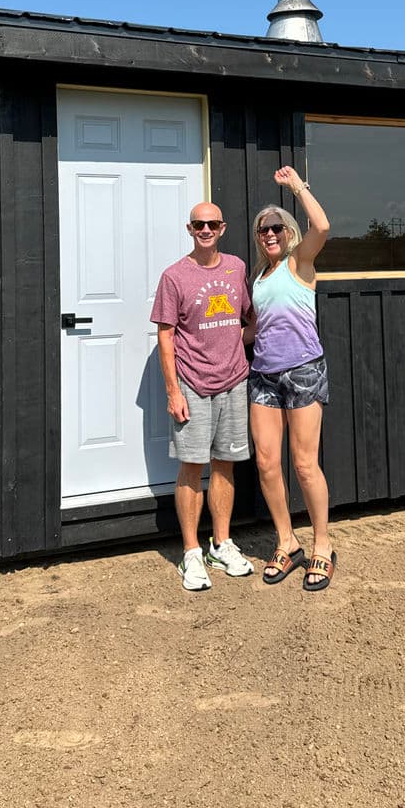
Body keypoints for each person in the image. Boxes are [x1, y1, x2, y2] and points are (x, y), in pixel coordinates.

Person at [151, 202, 255, 591]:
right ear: (190, 229)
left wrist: (236, 348)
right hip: (192, 385)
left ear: (223, 228)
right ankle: (191, 552)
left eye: (212, 224)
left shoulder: (237, 267)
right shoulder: (174, 276)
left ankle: (221, 543)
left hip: (234, 381)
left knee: (226, 464)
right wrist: (172, 390)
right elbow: (166, 335)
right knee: (192, 466)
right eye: (199, 224)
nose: (206, 229)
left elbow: (248, 316)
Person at [246, 167, 335, 592]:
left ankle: (322, 544)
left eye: (276, 227)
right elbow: (252, 329)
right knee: (266, 464)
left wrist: (297, 185)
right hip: (262, 374)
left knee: (303, 464)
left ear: (288, 232)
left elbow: (323, 225)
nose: (269, 235)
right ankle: (287, 541)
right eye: (263, 230)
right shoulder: (258, 278)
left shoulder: (301, 262)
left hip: (302, 371)